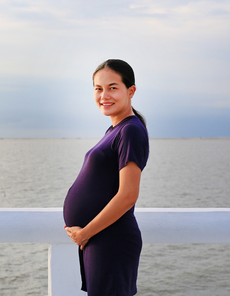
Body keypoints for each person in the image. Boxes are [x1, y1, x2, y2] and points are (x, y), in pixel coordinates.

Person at [63, 59, 149, 296]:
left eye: (113, 87)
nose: (104, 95)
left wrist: (86, 232)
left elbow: (128, 195)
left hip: (110, 239)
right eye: (98, 88)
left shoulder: (130, 130)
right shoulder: (115, 130)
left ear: (130, 91)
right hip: (100, 239)